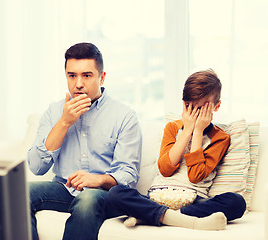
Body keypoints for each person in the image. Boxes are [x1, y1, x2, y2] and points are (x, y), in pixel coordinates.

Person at [27, 42, 142, 240]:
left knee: (88, 198)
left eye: (86, 75)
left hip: (103, 195)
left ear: (102, 77)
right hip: (63, 190)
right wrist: (64, 123)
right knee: (20, 194)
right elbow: (36, 167)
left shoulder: (124, 116)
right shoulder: (54, 112)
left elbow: (128, 176)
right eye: (72, 76)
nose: (78, 84)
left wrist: (97, 179)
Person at [106, 69, 246, 231]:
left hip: (194, 198)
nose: (194, 114)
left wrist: (198, 131)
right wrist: (187, 131)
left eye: (200, 109)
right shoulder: (173, 127)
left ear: (217, 106)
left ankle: (151, 215)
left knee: (236, 202)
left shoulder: (220, 138)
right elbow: (165, 170)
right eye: (189, 107)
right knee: (115, 194)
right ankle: (184, 220)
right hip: (158, 195)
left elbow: (195, 176)